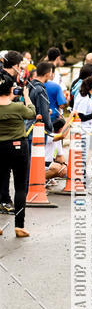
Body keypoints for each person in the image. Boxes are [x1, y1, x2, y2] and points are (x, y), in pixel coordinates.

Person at [0, 73, 35, 237]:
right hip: (18, 147)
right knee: (20, 187)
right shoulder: (18, 107)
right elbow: (31, 113)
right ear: (11, 89)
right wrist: (26, 97)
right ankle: (19, 225)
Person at [0, 50, 24, 214]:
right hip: (5, 129)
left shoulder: (7, 77)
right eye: (21, 66)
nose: (22, 69)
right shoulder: (5, 80)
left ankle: (5, 199)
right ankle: (4, 200)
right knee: (4, 169)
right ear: (15, 65)